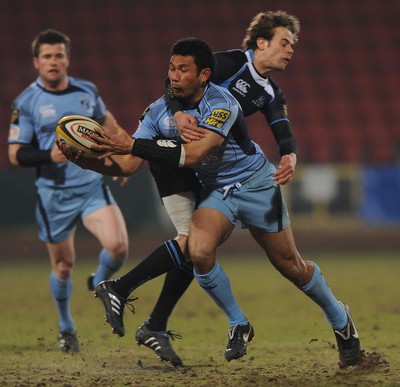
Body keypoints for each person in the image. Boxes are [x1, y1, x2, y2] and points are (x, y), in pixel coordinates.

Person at [58, 36, 361, 369]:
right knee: (198, 251)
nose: (174, 76)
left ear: (204, 75)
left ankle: (340, 318)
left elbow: (195, 154)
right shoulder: (159, 111)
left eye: (183, 69)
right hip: (217, 191)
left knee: (291, 266)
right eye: (171, 68)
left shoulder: (223, 103)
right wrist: (86, 160)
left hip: (257, 184)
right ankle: (238, 323)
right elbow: (128, 164)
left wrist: (130, 145)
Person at [7, 29, 129, 353]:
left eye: (59, 55)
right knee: (63, 267)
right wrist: (50, 155)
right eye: (47, 56)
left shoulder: (86, 91)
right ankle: (65, 327)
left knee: (118, 247)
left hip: (90, 185)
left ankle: (99, 282)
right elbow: (15, 154)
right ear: (36, 62)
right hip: (54, 194)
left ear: (67, 59)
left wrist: (121, 153)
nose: (53, 61)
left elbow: (107, 121)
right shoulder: (26, 102)